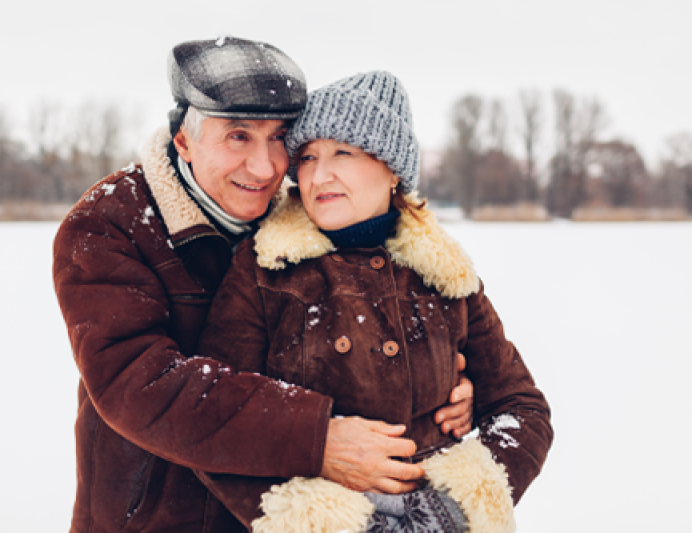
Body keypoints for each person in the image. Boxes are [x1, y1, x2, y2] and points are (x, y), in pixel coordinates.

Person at [53, 38, 474, 533]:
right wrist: (315, 439)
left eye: (278, 139)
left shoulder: (307, 223)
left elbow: (353, 340)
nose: (265, 167)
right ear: (183, 141)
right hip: (154, 519)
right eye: (238, 137)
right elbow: (140, 383)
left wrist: (439, 381)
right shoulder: (110, 224)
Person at [196, 71, 554, 532]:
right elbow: (215, 420)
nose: (319, 174)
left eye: (342, 152)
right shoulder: (265, 269)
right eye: (306, 157)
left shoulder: (444, 274)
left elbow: (522, 408)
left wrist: (458, 509)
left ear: (392, 169)